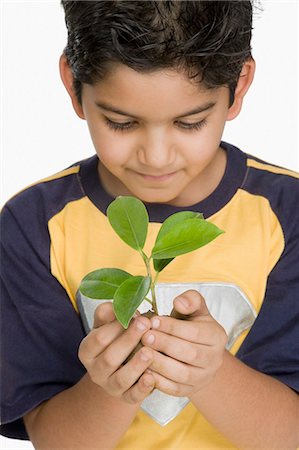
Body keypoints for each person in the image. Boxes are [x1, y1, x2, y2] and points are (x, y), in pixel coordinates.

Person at [1, 1, 298, 449]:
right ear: (72, 85)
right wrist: (112, 386)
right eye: (120, 123)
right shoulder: (35, 227)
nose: (156, 157)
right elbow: (54, 440)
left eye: (190, 122)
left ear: (239, 87)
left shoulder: (287, 213)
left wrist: (211, 373)